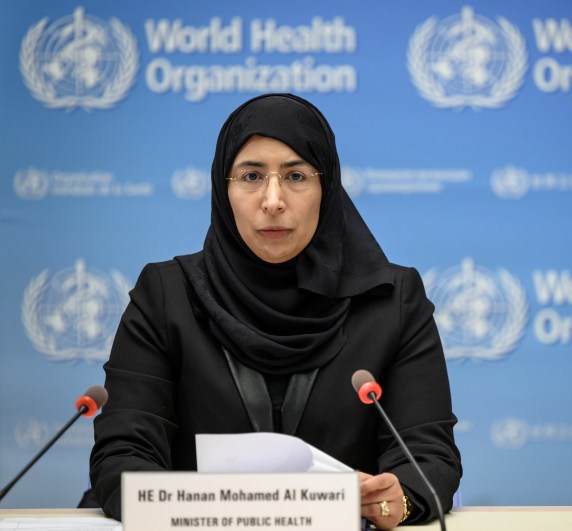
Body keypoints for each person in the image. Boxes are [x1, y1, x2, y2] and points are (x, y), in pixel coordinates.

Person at [89, 93, 462, 528]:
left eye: (296, 176)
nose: (272, 200)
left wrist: (402, 498)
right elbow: (121, 459)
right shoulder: (166, 295)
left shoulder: (392, 300)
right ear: (221, 187)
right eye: (250, 175)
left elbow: (428, 458)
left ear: (328, 188)